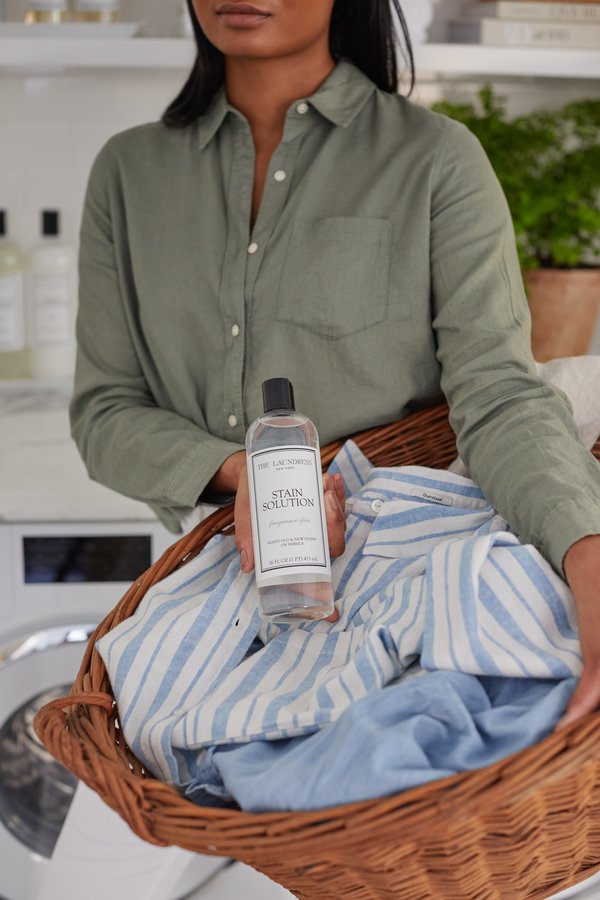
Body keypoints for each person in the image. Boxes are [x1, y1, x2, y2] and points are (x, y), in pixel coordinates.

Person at [60, 4, 600, 894]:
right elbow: (105, 410)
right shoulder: (131, 173)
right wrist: (248, 476)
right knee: (87, 882)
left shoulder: (432, 159)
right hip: (207, 625)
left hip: (403, 597)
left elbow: (500, 396)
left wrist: (586, 557)